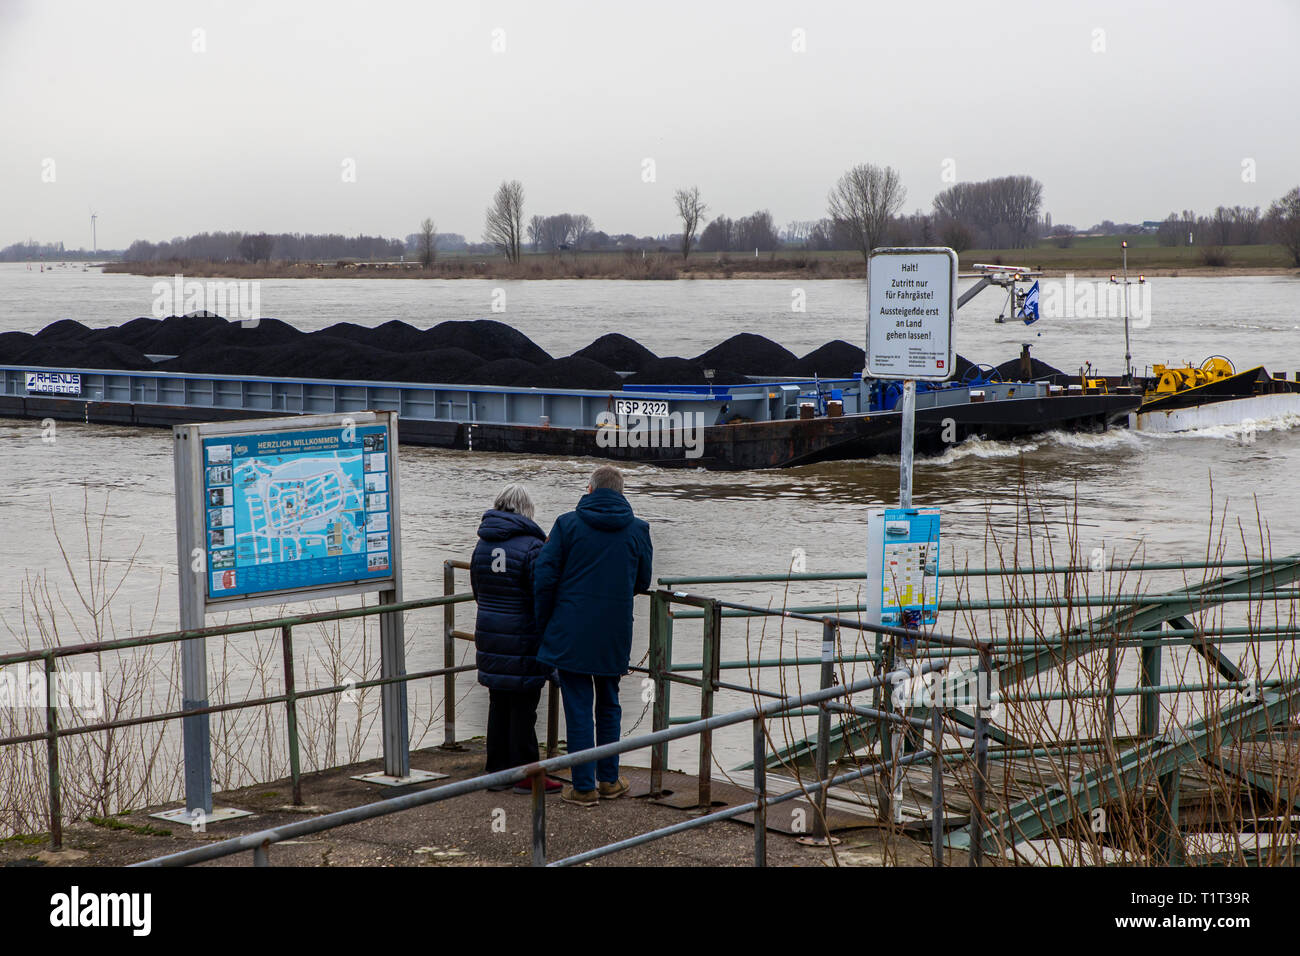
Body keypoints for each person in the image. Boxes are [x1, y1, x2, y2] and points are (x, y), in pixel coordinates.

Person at [534, 465, 653, 807]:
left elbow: (544, 577)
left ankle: (584, 787)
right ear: (622, 492)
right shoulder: (638, 530)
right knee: (609, 702)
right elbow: (642, 581)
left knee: (577, 704)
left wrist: (546, 623)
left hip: (570, 629)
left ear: (589, 489)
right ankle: (610, 779)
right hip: (614, 630)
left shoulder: (566, 525)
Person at [469, 483, 560, 794]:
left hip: (490, 633)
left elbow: (477, 591)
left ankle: (497, 771)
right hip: (522, 636)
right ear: (527, 510)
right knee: (524, 704)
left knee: (499, 702)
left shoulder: (481, 545)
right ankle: (526, 774)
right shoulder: (533, 547)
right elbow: (541, 595)